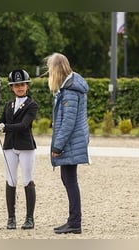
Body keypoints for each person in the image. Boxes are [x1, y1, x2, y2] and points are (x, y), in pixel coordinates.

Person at [43, 52, 90, 234]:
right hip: (73, 141)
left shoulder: (70, 90)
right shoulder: (69, 86)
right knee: (68, 179)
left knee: (69, 180)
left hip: (70, 142)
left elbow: (68, 123)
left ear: (56, 69)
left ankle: (75, 222)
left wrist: (57, 146)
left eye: (50, 69)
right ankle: (73, 220)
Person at [0, 69, 38, 230]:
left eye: (22, 85)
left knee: (27, 180)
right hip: (9, 146)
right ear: (11, 87)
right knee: (11, 180)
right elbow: (1, 121)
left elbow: (24, 125)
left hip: (25, 146)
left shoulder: (32, 105)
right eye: (16, 85)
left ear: (27, 86)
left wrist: (3, 127)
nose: (19, 87)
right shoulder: (8, 105)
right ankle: (11, 218)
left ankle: (29, 218)